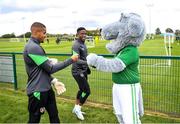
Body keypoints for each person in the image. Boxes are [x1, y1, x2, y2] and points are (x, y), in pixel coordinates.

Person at [87, 13, 145, 123]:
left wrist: (96, 61)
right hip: (118, 86)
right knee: (120, 114)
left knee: (131, 119)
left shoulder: (131, 50)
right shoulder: (122, 50)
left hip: (128, 87)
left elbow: (116, 66)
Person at [23, 22, 79, 123]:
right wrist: (71, 60)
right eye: (44, 33)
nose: (45, 36)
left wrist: (53, 80)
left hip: (47, 89)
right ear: (37, 32)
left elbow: (42, 70)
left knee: (54, 116)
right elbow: (50, 69)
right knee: (34, 120)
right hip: (37, 91)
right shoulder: (33, 47)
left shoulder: (35, 46)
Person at [71, 27, 91, 121]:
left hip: (83, 70)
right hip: (77, 71)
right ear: (77, 34)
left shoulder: (83, 44)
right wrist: (87, 63)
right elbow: (76, 60)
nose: (84, 35)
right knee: (86, 91)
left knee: (81, 89)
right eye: (82, 33)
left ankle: (75, 108)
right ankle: (78, 109)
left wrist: (89, 64)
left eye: (85, 33)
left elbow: (85, 57)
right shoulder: (76, 45)